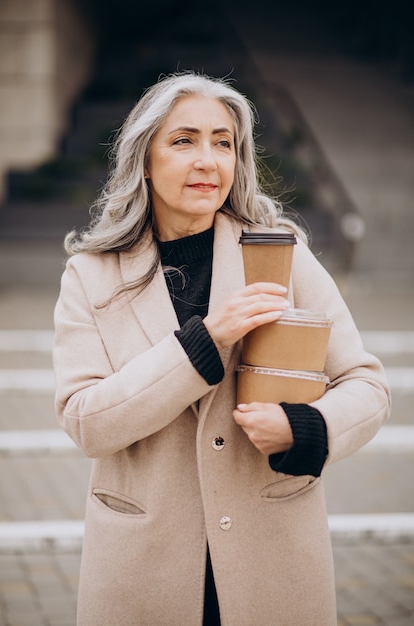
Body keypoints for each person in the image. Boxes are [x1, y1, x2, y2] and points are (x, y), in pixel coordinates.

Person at [53, 72, 390, 626]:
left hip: (273, 561)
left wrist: (305, 430)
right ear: (144, 158)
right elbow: (87, 421)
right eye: (183, 141)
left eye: (223, 142)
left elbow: (366, 384)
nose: (207, 159)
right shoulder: (91, 277)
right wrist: (204, 343)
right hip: (145, 569)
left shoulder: (283, 251)